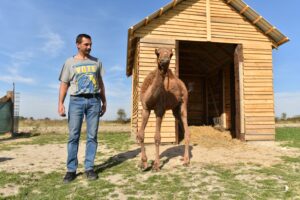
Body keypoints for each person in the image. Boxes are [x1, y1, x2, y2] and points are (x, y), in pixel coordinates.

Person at [58, 33, 106, 183]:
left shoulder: (97, 62)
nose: (89, 47)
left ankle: (89, 168)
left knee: (92, 136)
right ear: (78, 45)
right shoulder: (69, 62)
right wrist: (60, 103)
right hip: (76, 101)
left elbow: (100, 83)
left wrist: (104, 101)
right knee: (73, 136)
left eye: (90, 44)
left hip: (94, 101)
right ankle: (71, 170)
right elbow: (64, 84)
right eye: (86, 44)